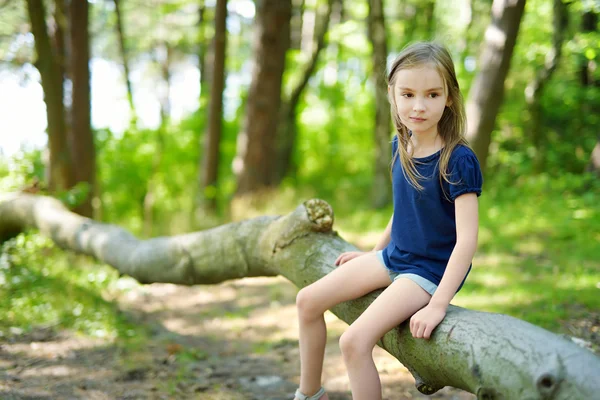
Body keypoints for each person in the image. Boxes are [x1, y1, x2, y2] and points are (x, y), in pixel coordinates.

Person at [292, 41, 483, 400]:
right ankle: (307, 394)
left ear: (450, 98)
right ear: (393, 95)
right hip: (393, 257)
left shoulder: (458, 160)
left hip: (426, 273)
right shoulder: (402, 145)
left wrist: (438, 303)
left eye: (431, 94)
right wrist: (373, 253)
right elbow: (404, 210)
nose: (418, 105)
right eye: (407, 94)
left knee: (353, 342)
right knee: (307, 300)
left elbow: (467, 241)